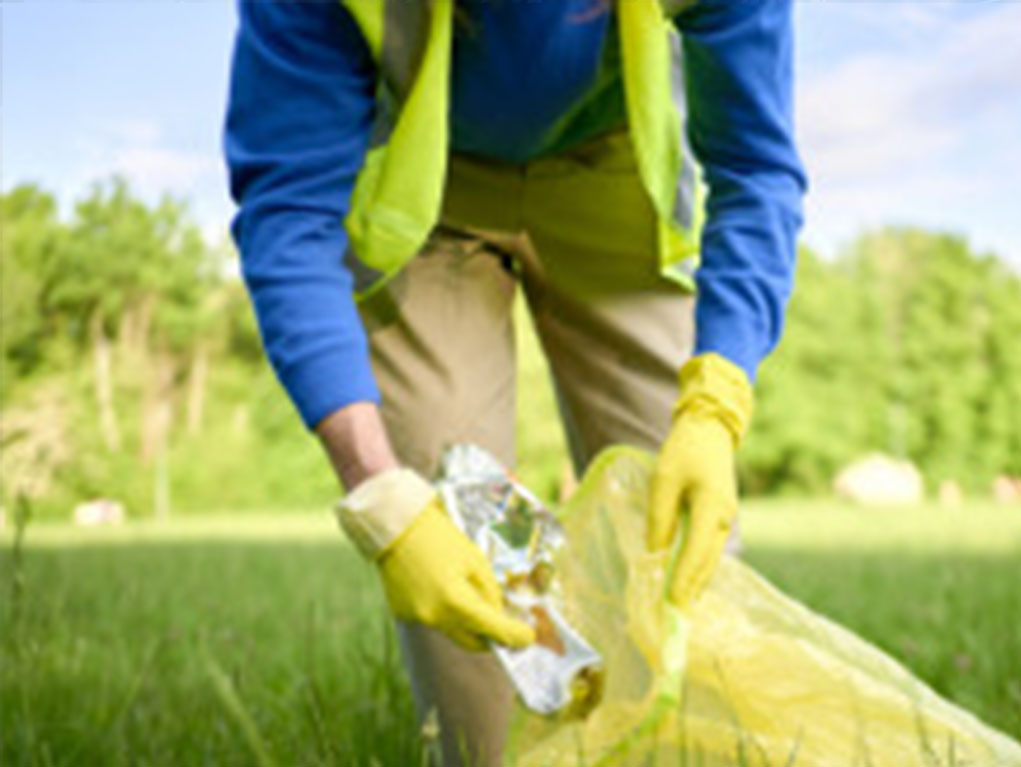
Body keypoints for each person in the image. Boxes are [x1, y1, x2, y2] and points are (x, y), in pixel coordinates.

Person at [224, 1, 805, 764]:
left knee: (683, 556)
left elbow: (754, 166)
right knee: (462, 586)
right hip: (426, 189)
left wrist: (716, 398)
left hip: (611, 167)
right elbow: (290, 212)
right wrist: (384, 497)